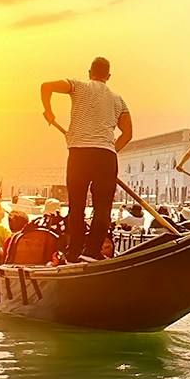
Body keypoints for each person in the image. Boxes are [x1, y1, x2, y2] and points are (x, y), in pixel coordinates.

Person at [42, 57, 133, 262]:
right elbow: (127, 133)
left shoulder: (77, 85)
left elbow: (45, 86)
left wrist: (49, 111)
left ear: (89, 72)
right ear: (108, 76)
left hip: (79, 154)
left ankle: (74, 252)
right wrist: (111, 149)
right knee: (103, 208)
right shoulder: (118, 100)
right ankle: (91, 251)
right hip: (106, 156)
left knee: (77, 206)